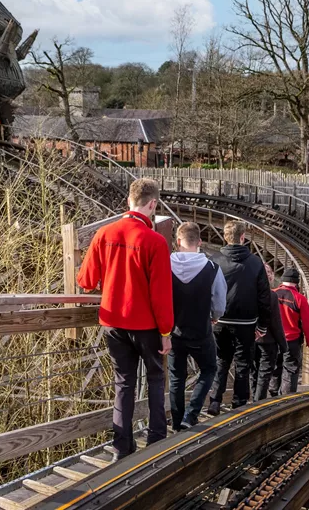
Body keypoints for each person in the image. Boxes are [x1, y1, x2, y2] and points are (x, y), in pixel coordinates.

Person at [76, 178, 173, 461]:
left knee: (123, 383)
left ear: (128, 201)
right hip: (146, 325)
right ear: (152, 204)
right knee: (155, 379)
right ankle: (156, 441)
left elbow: (86, 281)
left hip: (112, 322)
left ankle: (122, 447)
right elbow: (161, 295)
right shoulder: (154, 241)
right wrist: (165, 332)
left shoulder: (104, 233)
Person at [207, 220, 272, 414]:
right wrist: (263, 325)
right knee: (243, 364)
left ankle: (215, 401)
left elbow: (208, 290)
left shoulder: (215, 261)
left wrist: (211, 314)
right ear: (243, 238)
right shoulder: (255, 262)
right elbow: (264, 297)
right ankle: (239, 403)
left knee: (221, 361)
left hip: (220, 320)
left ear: (225, 238)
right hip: (246, 323)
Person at [169, 222, 227, 430]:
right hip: (200, 330)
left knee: (176, 377)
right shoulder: (212, 268)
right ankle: (191, 415)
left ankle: (176, 422)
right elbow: (220, 301)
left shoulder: (166, 265)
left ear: (177, 242)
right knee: (209, 368)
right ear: (199, 242)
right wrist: (214, 316)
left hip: (174, 331)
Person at [269, 267, 309, 395]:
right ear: (296, 282)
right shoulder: (299, 298)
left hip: (273, 339)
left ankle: (271, 396)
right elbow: (307, 324)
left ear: (282, 280)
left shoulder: (272, 294)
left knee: (274, 367)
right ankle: (286, 399)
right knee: (290, 369)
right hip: (291, 341)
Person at [251, 263, 288, 401]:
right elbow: (276, 324)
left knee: (254, 372)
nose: (269, 275)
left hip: (252, 339)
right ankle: (258, 402)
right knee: (264, 374)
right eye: (266, 272)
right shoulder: (271, 296)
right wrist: (283, 345)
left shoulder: (249, 292)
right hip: (267, 341)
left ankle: (253, 401)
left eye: (270, 272)